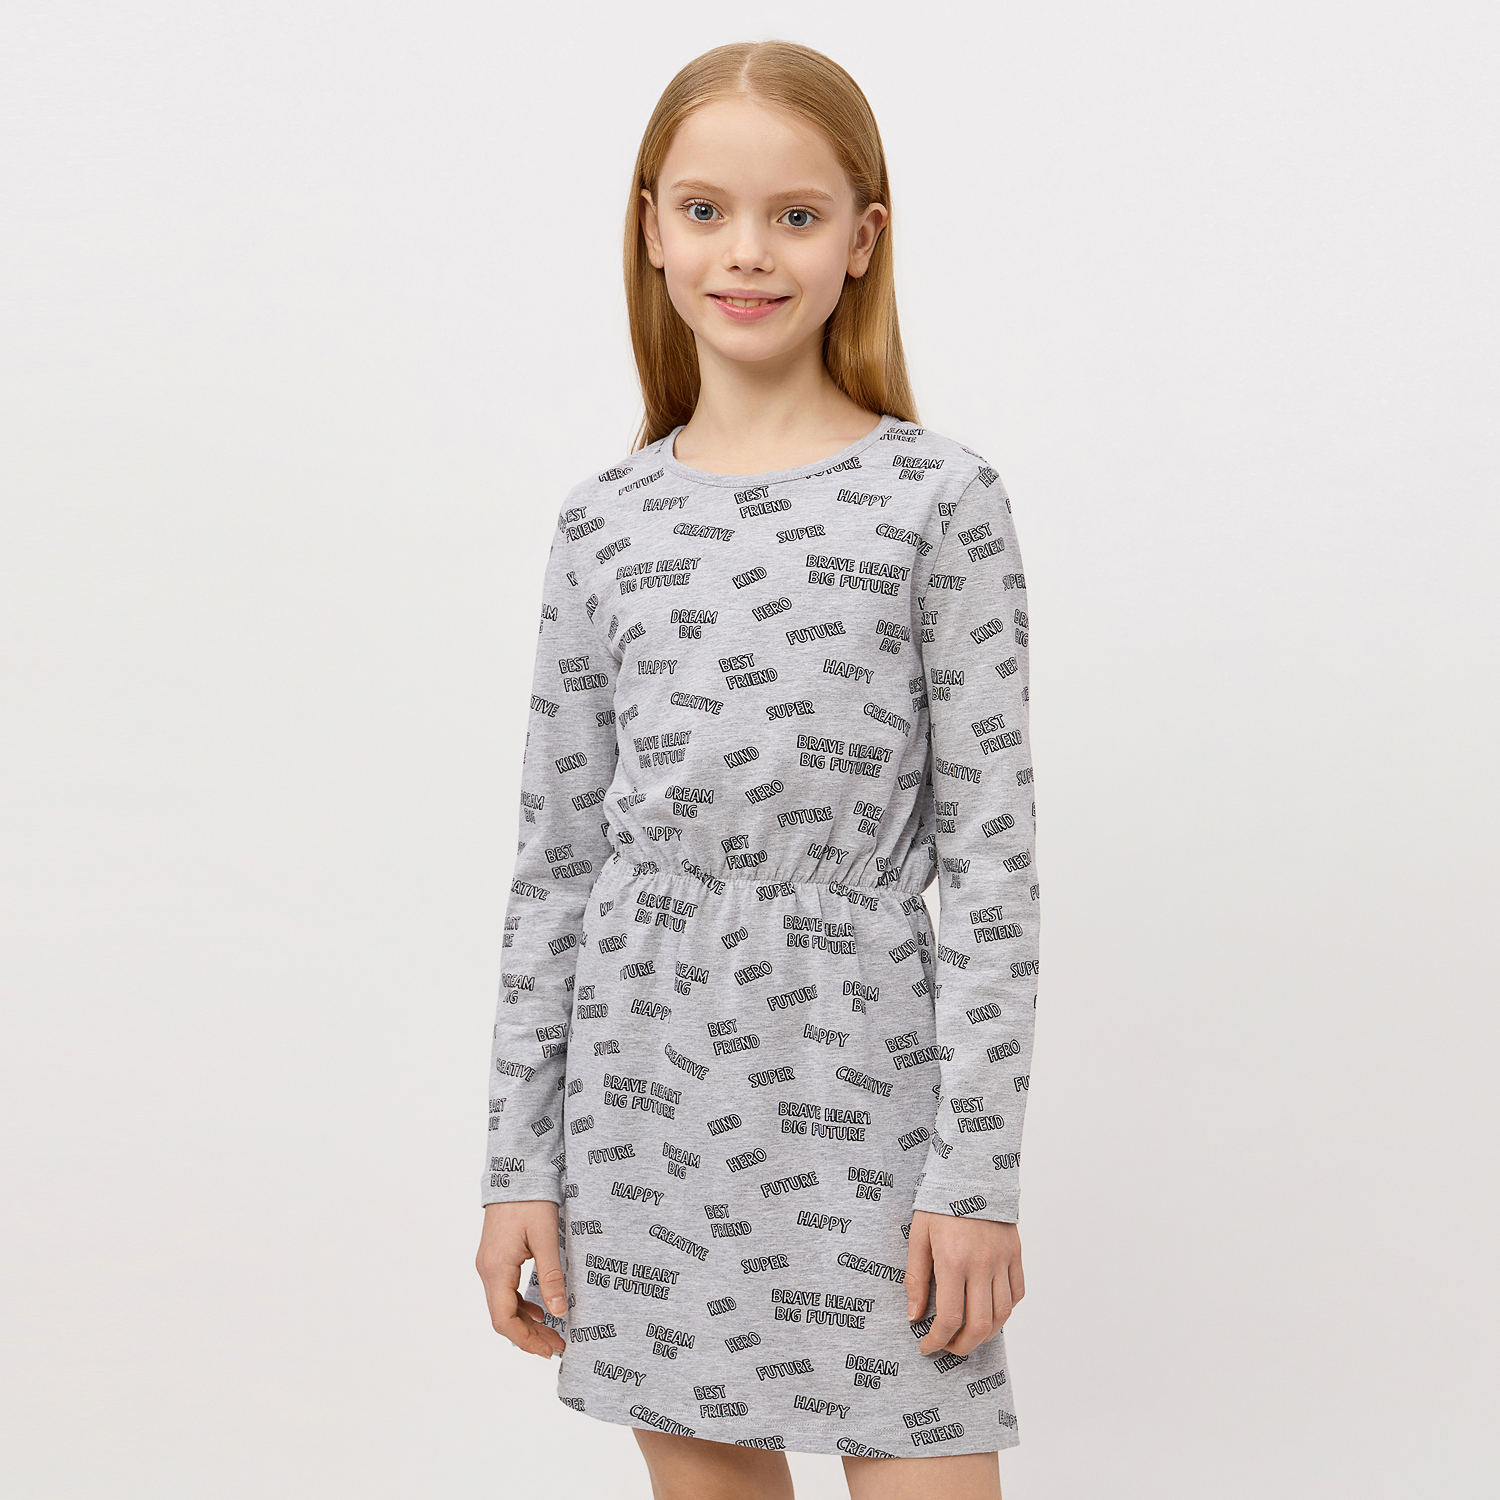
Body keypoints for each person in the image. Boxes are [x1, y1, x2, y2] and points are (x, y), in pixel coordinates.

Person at [475, 38, 1040, 1500]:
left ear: (863, 239)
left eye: (795, 214)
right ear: (651, 230)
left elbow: (993, 868)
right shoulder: (601, 524)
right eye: (705, 210)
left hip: (868, 1085)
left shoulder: (941, 500)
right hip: (643, 1100)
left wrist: (975, 1179)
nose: (746, 251)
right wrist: (518, 1166)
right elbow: (555, 865)